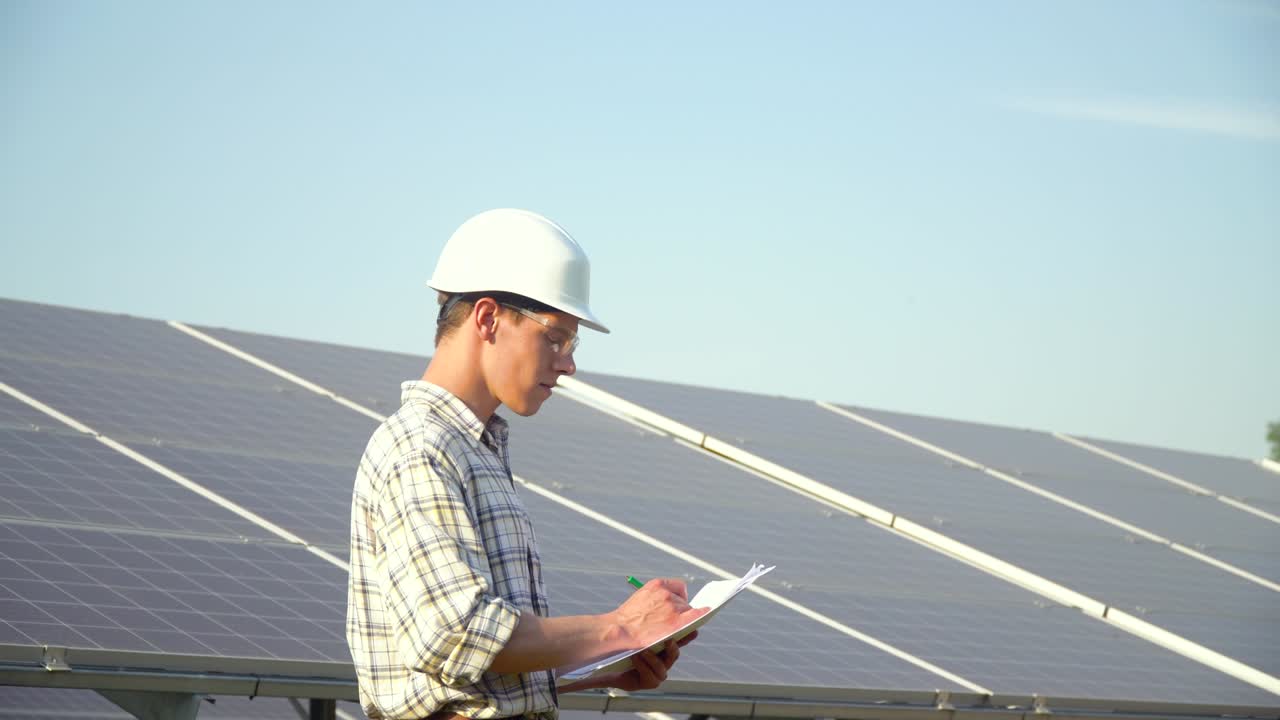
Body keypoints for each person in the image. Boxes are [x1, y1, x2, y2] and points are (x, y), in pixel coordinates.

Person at [347, 209, 707, 720]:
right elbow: (457, 632)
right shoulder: (420, 447)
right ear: (488, 318)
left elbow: (470, 672)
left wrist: (608, 662)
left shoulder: (474, 449)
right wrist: (622, 627)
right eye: (554, 338)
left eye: (571, 344)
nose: (568, 363)